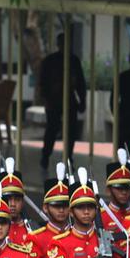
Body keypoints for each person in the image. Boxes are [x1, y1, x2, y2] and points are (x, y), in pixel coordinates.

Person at [38, 33, 87, 170]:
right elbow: (43, 83)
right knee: (52, 129)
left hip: (69, 101)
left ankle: (68, 157)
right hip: (53, 101)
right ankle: (45, 156)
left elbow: (80, 83)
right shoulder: (50, 61)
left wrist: (82, 101)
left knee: (70, 131)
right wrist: (46, 98)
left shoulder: (73, 60)